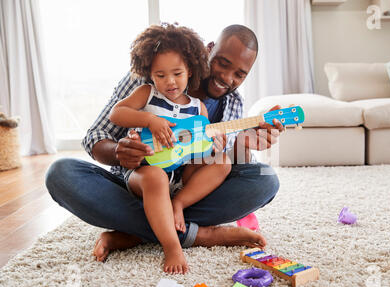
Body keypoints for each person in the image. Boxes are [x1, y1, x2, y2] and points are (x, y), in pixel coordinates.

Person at [45, 24, 284, 273]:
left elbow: (221, 163)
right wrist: (119, 152)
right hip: (139, 182)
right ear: (208, 50)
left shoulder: (230, 102)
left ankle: (138, 233)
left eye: (240, 74)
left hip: (187, 191)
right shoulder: (147, 79)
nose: (227, 78)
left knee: (265, 180)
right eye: (223, 63)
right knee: (61, 174)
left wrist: (244, 145)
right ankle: (198, 235)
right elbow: (96, 135)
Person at [109, 23, 232, 274]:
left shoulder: (198, 108)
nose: (170, 82)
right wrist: (149, 120)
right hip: (145, 174)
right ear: (150, 74)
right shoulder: (147, 93)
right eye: (160, 75)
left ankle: (177, 205)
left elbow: (199, 149)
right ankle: (172, 245)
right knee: (155, 177)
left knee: (224, 162)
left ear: (191, 69)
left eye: (177, 73)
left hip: (179, 176)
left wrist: (214, 145)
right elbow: (116, 113)